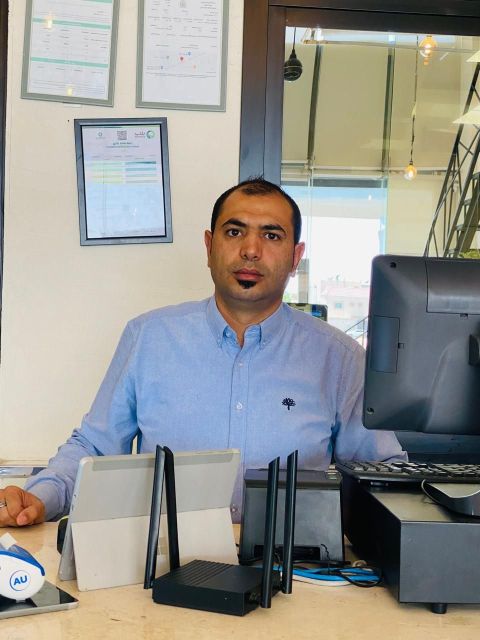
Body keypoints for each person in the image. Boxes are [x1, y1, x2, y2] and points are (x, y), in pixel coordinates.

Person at [0, 178, 405, 527]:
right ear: (210, 246)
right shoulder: (149, 338)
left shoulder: (339, 358)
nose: (251, 250)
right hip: (165, 567)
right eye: (234, 232)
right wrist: (40, 496)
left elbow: (382, 472)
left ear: (295, 257)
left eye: (271, 235)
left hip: (292, 571)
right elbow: (94, 447)